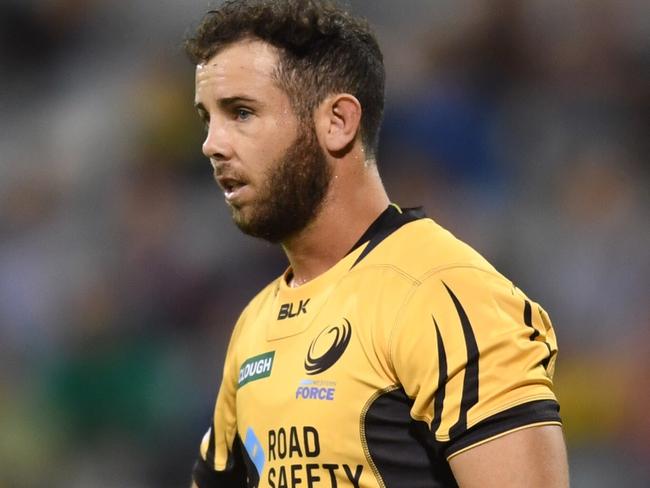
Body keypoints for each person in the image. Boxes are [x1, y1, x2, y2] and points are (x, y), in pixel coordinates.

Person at [185, 1, 569, 486]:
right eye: (207, 119)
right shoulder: (254, 325)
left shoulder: (444, 294)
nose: (212, 143)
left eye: (242, 112)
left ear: (338, 121)